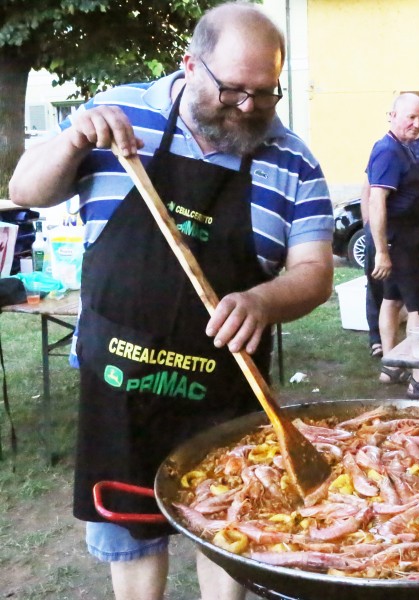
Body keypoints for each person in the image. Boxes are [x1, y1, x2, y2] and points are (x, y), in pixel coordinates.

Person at [9, 4, 334, 599]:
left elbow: (313, 272)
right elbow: (25, 190)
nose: (249, 108)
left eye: (266, 94)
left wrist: (263, 300)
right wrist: (76, 138)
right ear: (191, 65)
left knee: (234, 532)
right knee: (131, 549)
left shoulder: (293, 159)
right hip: (119, 389)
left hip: (228, 397)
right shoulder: (119, 114)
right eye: (234, 90)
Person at [367, 93, 419, 399]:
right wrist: (383, 250)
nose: (417, 123)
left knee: (392, 299)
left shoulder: (402, 149)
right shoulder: (386, 151)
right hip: (403, 243)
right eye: (410, 117)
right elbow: (376, 201)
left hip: (410, 239)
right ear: (392, 115)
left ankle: (391, 365)